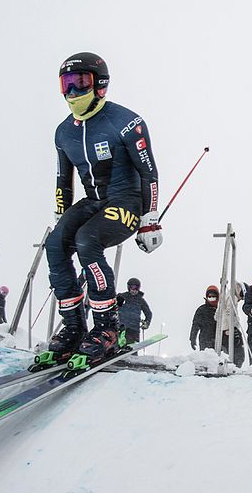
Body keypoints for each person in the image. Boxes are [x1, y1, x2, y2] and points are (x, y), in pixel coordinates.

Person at [45, 52, 163, 363]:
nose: (72, 92)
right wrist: (61, 216)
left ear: (100, 85)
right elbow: (63, 179)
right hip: (93, 202)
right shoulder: (63, 132)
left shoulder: (126, 122)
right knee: (55, 244)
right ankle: (73, 326)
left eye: (80, 83)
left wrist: (150, 219)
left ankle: (107, 328)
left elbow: (149, 172)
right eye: (66, 84)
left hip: (126, 202)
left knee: (87, 241)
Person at [189, 285, 245, 365]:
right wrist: (192, 338)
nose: (212, 299)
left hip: (221, 339)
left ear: (218, 297)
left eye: (214, 297)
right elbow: (195, 325)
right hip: (206, 340)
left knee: (222, 359)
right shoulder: (201, 310)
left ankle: (231, 368)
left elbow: (229, 320)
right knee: (208, 360)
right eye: (210, 297)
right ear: (206, 297)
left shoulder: (221, 309)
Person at [116, 277, 153, 344]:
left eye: (136, 288)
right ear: (128, 287)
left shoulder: (140, 300)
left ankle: (132, 354)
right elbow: (113, 307)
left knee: (131, 347)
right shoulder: (122, 296)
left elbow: (148, 313)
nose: (133, 290)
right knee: (118, 345)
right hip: (120, 327)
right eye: (132, 288)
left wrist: (146, 323)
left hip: (133, 329)